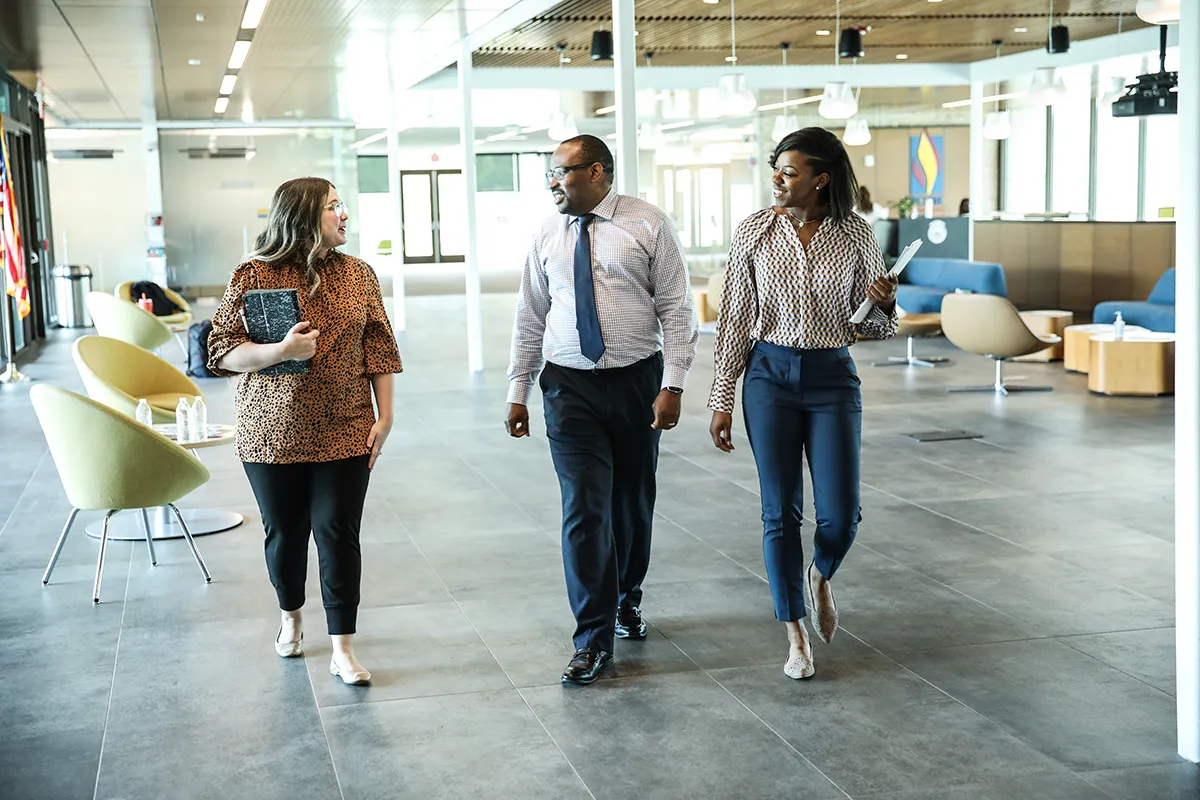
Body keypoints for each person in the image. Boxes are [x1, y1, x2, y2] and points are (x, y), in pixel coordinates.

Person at [505, 135, 698, 686]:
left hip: (638, 383)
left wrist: (674, 385)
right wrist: (518, 388)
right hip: (568, 388)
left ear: (595, 172)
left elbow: (676, 309)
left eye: (560, 172)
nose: (551, 182)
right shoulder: (546, 232)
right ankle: (591, 638)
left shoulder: (647, 223)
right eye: (549, 173)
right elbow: (530, 312)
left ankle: (626, 597)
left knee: (632, 504)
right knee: (584, 509)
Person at [707, 128, 898, 681]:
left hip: (832, 374)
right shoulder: (754, 233)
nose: (778, 180)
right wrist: (722, 397)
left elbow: (876, 329)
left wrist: (884, 303)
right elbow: (736, 320)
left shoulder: (857, 235)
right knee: (779, 511)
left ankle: (820, 575)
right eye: (776, 170)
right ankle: (795, 636)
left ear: (821, 178)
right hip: (768, 376)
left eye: (789, 172)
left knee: (841, 514)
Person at [207, 177, 403, 686]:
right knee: (286, 534)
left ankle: (343, 648)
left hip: (346, 427)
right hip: (271, 433)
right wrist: (279, 353)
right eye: (334, 206)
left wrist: (385, 416)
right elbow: (221, 352)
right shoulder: (252, 275)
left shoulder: (359, 274)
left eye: (344, 205)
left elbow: (379, 348)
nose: (344, 214)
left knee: (339, 534)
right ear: (303, 214)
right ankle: (290, 617)